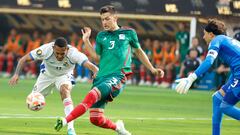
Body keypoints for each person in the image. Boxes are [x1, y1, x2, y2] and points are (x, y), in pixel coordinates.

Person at [54, 5, 164, 135]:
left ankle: (66, 121)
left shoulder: (128, 33)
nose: (104, 22)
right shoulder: (101, 36)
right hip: (101, 77)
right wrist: (86, 40)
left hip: (117, 76)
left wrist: (152, 69)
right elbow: (96, 58)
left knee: (90, 96)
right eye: (102, 20)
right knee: (95, 118)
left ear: (115, 17)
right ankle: (119, 128)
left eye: (107, 19)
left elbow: (139, 52)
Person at [9, 37, 99, 135]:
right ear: (53, 48)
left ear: (67, 49)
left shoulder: (74, 53)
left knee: (65, 91)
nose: (60, 56)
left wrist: (95, 71)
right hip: (46, 76)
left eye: (62, 53)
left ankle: (71, 129)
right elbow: (23, 59)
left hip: (64, 76)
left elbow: (90, 65)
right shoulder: (46, 49)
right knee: (32, 102)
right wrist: (16, 74)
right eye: (57, 53)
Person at [174, 19, 240, 135]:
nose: (203, 37)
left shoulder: (216, 40)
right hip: (236, 73)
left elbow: (209, 61)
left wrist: (191, 77)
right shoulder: (226, 39)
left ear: (211, 34)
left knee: (225, 106)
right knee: (217, 98)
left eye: (204, 34)